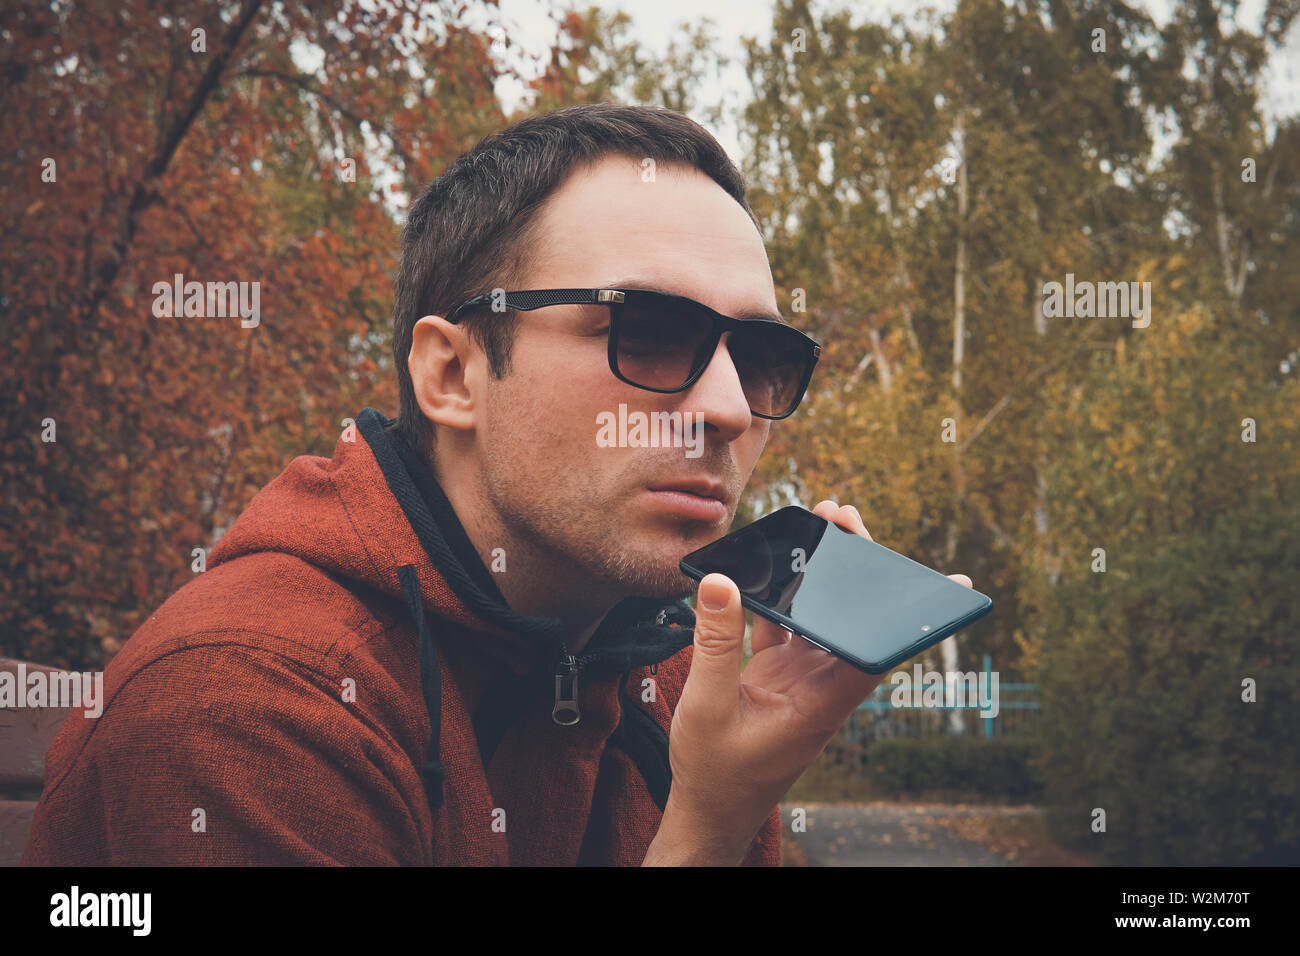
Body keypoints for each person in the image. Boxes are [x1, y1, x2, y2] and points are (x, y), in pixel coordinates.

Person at [21, 103, 972, 866]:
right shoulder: (247, 710)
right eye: (643, 332)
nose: (727, 408)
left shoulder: (685, 685)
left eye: (762, 356)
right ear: (452, 375)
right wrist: (708, 832)